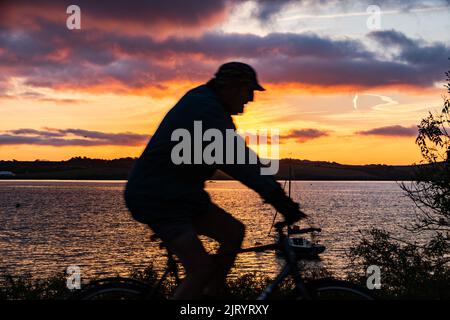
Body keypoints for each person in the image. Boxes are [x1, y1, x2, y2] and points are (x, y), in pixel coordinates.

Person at [124, 62, 306, 299]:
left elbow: (241, 157)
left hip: (182, 195)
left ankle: (211, 297)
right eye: (247, 90)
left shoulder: (211, 107)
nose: (250, 99)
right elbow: (238, 161)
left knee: (234, 232)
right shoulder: (205, 110)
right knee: (200, 269)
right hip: (158, 197)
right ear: (230, 87)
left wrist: (273, 189)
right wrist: (279, 199)